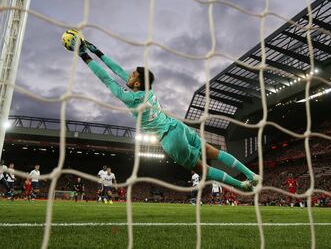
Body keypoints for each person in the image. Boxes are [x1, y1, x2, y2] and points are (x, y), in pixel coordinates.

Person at [74, 40, 261, 191]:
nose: (127, 75)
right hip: (178, 126)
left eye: (132, 75)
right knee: (214, 152)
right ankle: (251, 175)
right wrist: (96, 50)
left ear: (137, 83)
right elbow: (116, 70)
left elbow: (107, 79)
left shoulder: (131, 99)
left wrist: (84, 56)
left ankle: (241, 186)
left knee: (202, 169)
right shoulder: (148, 89)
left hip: (170, 139)